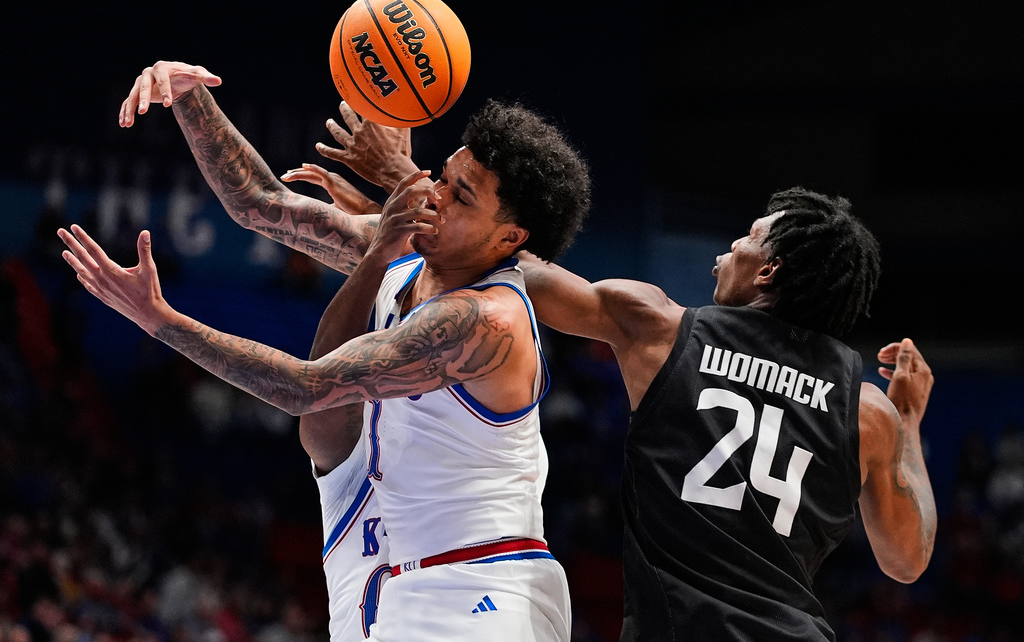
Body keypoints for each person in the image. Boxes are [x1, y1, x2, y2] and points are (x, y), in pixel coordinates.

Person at [305, 125, 938, 641]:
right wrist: (907, 424)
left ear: (768, 273)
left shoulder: (661, 329)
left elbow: (517, 266)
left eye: (746, 241)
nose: (726, 251)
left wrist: (407, 182)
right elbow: (905, 560)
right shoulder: (867, 413)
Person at [62, 61, 592, 642]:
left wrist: (160, 321)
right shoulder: (409, 251)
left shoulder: (485, 320)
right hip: (411, 579)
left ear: (511, 238)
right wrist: (189, 99)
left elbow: (305, 389)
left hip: (485, 589)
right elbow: (259, 203)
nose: (435, 196)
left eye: (460, 197)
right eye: (443, 177)